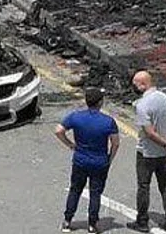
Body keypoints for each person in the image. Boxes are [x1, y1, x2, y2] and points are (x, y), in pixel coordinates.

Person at [55, 87, 120, 234]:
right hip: (99, 161)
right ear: (100, 102)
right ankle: (92, 224)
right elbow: (115, 143)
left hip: (80, 160)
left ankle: (67, 220)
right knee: (95, 193)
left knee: (75, 189)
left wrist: (70, 144)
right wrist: (109, 159)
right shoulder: (108, 121)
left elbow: (58, 130)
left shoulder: (76, 117)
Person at [127, 71, 166, 233]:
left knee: (144, 186)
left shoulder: (142, 105)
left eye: (135, 84)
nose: (134, 87)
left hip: (146, 153)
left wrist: (165, 143)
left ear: (143, 84)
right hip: (163, 155)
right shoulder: (165, 99)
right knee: (165, 183)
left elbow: (149, 132)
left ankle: (142, 221)